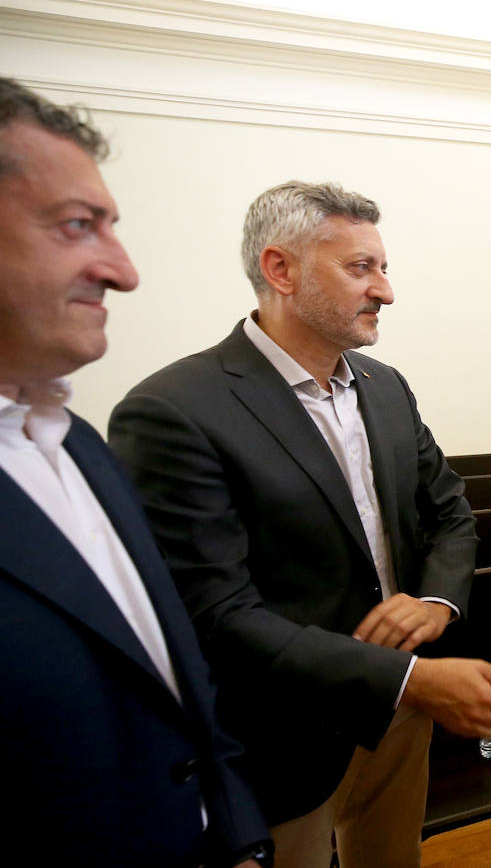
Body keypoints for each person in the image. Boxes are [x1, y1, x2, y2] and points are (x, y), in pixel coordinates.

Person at [108, 181, 491, 867]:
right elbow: (216, 612)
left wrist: (436, 601)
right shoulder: (174, 409)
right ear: (281, 269)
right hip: (285, 736)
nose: (385, 290)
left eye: (384, 268)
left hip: (401, 712)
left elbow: (448, 508)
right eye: (361, 268)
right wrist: (408, 680)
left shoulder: (385, 386)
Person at [0, 77, 271, 866]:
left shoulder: (80, 444)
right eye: (78, 226)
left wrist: (242, 838)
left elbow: (178, 684)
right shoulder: (165, 411)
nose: (123, 271)